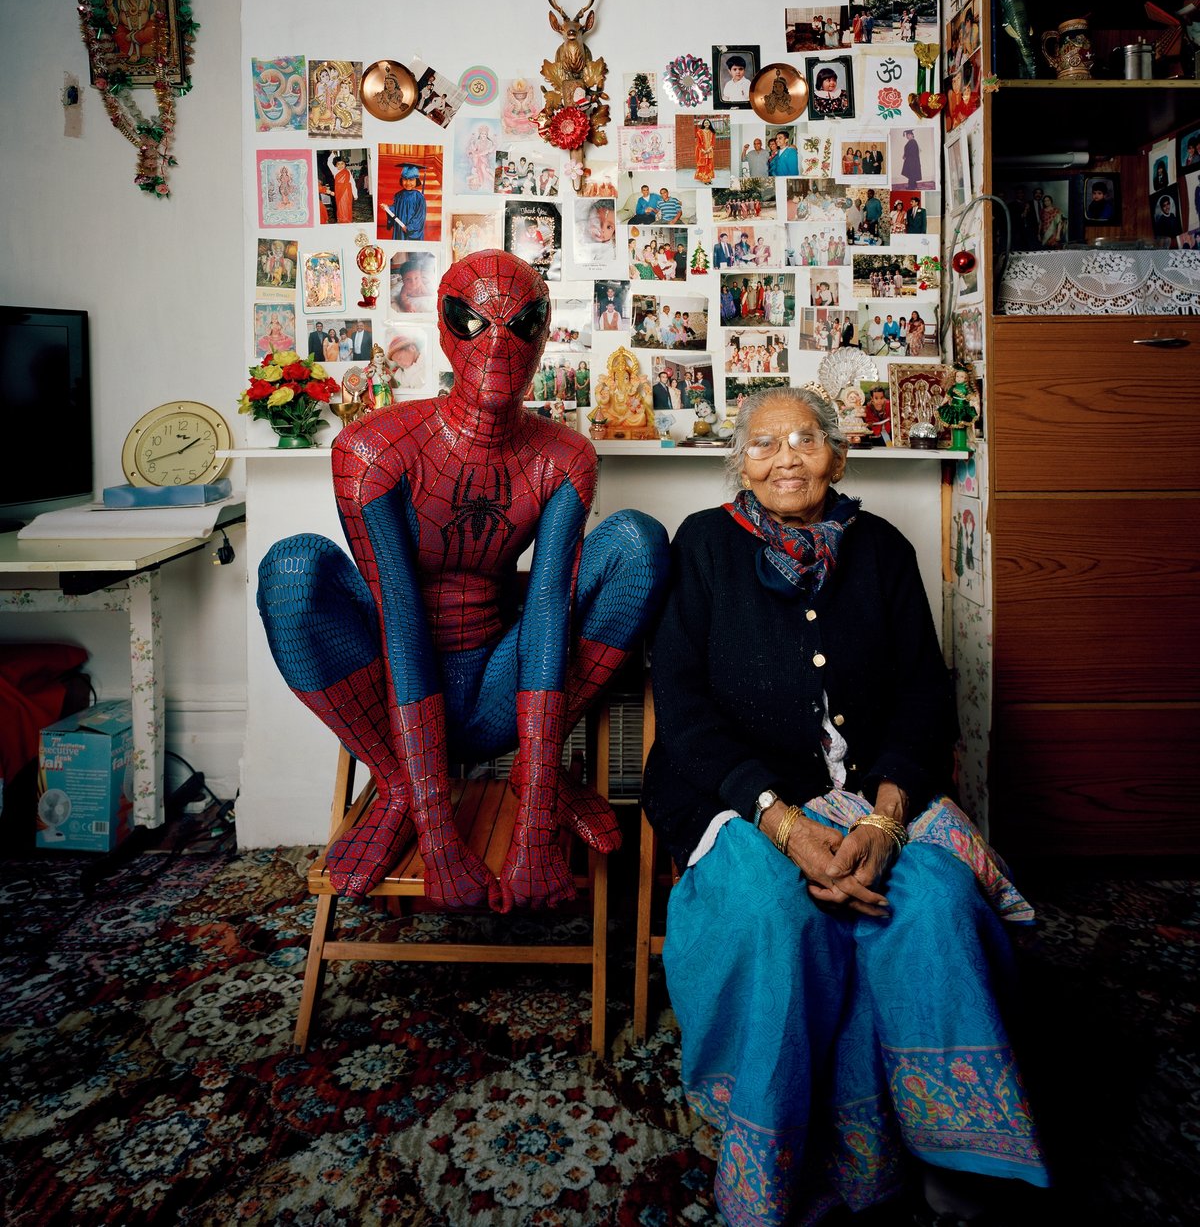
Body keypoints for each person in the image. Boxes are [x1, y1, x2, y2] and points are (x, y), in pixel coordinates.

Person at [642, 385, 1049, 1226]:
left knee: (933, 900)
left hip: (873, 790)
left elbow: (922, 698)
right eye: (764, 443)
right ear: (740, 464)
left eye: (804, 438)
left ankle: (953, 1148)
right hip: (736, 794)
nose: (786, 456)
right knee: (771, 912)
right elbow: (681, 711)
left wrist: (884, 816)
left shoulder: (886, 550)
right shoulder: (705, 546)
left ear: (837, 454)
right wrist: (784, 824)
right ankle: (774, 1138)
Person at [258, 252, 669, 911]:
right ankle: (396, 787)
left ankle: (541, 779)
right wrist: (437, 834)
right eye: (474, 321)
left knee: (636, 543)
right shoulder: (371, 448)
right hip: (393, 701)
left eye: (523, 323)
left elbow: (547, 615)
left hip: (501, 690)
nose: (499, 344)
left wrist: (534, 825)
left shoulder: (566, 457)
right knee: (292, 568)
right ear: (445, 326)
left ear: (545, 333)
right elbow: (400, 618)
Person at [386, 165, 427, 241]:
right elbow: (396, 209)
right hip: (400, 227)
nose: (408, 183)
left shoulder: (419, 197)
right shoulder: (398, 195)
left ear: (416, 181)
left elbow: (420, 216)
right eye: (405, 179)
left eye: (411, 180)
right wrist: (388, 208)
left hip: (410, 230)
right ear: (401, 180)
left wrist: (409, 228)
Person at [694, 118, 716, 185]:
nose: (707, 124)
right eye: (705, 123)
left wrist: (709, 149)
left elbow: (713, 142)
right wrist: (703, 150)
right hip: (702, 152)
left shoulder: (712, 132)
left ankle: (708, 178)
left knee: (709, 165)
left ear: (710, 124)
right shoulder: (699, 132)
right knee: (704, 165)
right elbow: (698, 143)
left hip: (710, 151)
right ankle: (705, 179)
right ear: (703, 124)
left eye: (708, 122)